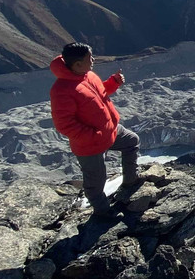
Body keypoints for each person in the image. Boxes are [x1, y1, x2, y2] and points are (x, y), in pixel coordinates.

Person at [49, 42, 140, 217]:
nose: (93, 60)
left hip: (110, 131)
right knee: (95, 183)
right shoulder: (61, 91)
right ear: (77, 64)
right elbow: (64, 124)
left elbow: (99, 94)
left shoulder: (87, 75)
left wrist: (113, 83)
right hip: (90, 145)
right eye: (89, 58)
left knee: (131, 141)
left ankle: (131, 181)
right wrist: (93, 136)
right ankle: (103, 214)